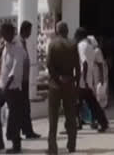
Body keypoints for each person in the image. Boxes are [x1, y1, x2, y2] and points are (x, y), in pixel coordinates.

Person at [46, 21, 80, 155]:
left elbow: (49, 64)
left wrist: (57, 78)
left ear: (56, 31)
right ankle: (71, 145)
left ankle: (52, 147)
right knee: (71, 115)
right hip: (69, 82)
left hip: (55, 84)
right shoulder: (73, 44)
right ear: (67, 31)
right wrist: (76, 82)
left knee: (53, 116)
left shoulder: (52, 44)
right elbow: (77, 66)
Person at [0, 22, 24, 154]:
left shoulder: (18, 48)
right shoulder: (5, 46)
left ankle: (16, 145)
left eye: (3, 33)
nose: (1, 35)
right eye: (0, 33)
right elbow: (2, 66)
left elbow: (14, 71)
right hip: (2, 85)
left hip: (13, 88)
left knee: (14, 117)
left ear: (10, 32)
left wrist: (6, 87)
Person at [75, 28, 109, 132]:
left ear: (79, 36)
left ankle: (74, 124)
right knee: (90, 103)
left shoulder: (81, 46)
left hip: (82, 80)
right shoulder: (90, 46)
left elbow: (84, 63)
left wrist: (83, 79)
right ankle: (103, 122)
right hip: (88, 79)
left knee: (76, 104)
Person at [18, 21, 41, 140]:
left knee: (25, 107)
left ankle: (27, 130)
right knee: (21, 107)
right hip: (19, 80)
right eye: (29, 31)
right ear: (25, 30)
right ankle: (22, 131)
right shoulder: (17, 42)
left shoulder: (23, 42)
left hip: (25, 79)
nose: (30, 33)